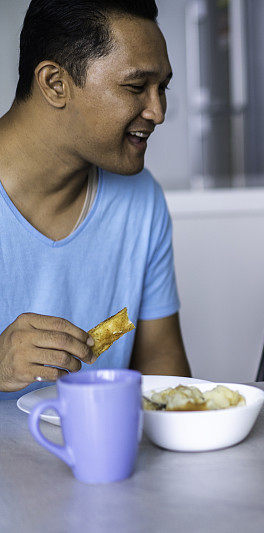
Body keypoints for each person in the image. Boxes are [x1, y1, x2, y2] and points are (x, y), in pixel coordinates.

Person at [0, 0, 191, 400]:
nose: (157, 112)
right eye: (137, 87)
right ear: (55, 83)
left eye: (162, 88)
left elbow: (161, 363)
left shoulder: (142, 199)